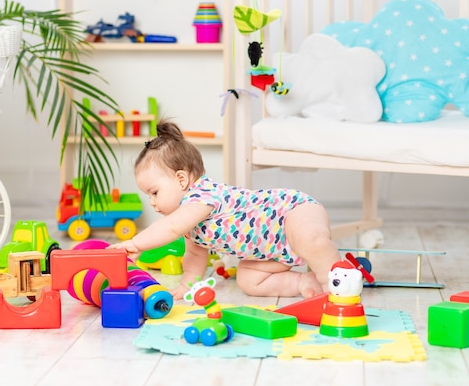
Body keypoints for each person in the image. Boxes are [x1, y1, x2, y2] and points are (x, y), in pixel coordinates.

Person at [107, 120, 342, 300]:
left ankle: (337, 285)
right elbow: (195, 257)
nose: (152, 202)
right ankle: (302, 283)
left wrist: (134, 244)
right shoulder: (192, 226)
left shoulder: (202, 196)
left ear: (181, 180)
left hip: (290, 212)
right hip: (271, 250)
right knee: (249, 281)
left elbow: (170, 228)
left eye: (154, 192)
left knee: (312, 239)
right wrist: (188, 285)